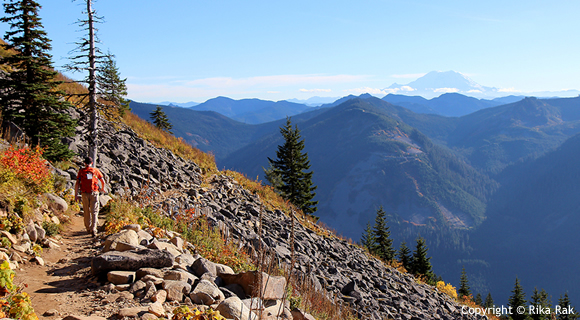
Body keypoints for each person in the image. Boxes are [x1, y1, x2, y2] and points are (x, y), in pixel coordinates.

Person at [75, 156, 106, 237]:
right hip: (94, 192)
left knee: (86, 211)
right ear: (92, 163)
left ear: (84, 163)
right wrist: (102, 189)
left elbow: (77, 183)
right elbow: (102, 180)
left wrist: (75, 195)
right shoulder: (96, 171)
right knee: (94, 211)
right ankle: (94, 228)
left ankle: (88, 228)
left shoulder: (81, 171)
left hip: (84, 193)